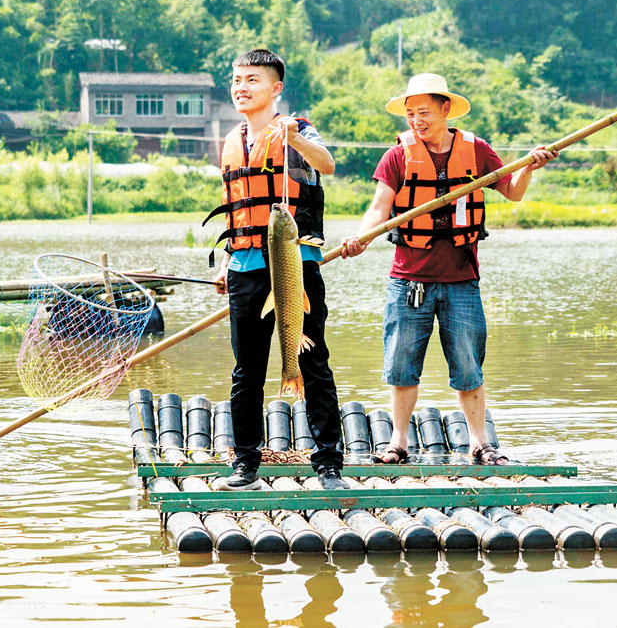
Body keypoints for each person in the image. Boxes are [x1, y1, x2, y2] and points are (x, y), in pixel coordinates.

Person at [340, 72, 556, 465]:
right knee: (401, 365)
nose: (416, 121)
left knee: (468, 364)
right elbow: (379, 207)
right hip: (408, 280)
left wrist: (529, 167)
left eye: (423, 112)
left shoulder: (476, 151)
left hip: (461, 279)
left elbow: (513, 191)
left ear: (444, 109)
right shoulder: (398, 155)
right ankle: (398, 442)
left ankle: (479, 442)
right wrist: (361, 237)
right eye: (409, 114)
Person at [207, 49, 347, 490]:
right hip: (245, 266)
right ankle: (245, 463)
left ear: (275, 88)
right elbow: (236, 208)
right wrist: (228, 263)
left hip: (295, 264)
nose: (241, 87)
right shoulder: (232, 140)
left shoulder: (298, 129)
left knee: (312, 361)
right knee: (246, 370)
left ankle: (328, 464)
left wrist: (294, 138)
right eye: (236, 80)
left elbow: (326, 163)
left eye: (251, 79)